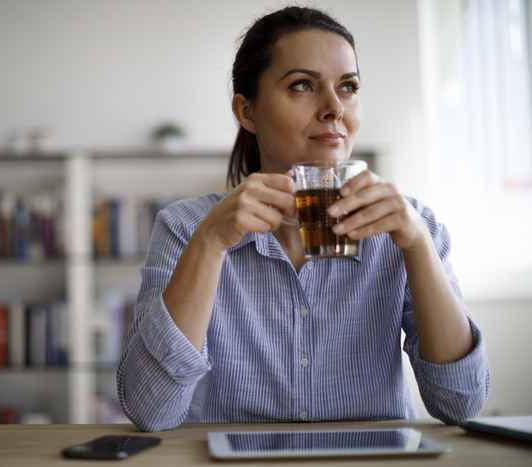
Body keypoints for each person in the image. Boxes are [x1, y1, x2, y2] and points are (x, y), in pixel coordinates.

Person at [116, 6, 489, 432]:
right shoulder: (187, 229)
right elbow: (150, 410)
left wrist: (419, 247)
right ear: (247, 111)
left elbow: (462, 403)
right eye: (301, 86)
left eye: (348, 87)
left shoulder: (410, 228)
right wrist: (211, 243)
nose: (334, 108)